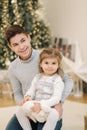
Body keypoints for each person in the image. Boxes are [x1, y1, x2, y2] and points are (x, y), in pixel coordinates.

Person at [5, 25, 73, 130]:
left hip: (48, 109)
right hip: (30, 110)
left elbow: (68, 81)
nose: (21, 47)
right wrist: (23, 103)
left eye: (23, 40)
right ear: (11, 47)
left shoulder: (46, 57)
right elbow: (17, 93)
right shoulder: (13, 67)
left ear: (29, 37)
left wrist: (59, 102)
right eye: (15, 44)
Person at [16, 48, 64, 130]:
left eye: (53, 63)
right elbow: (32, 89)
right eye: (46, 63)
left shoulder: (58, 80)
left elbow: (56, 98)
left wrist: (41, 105)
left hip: (48, 108)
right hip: (35, 106)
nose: (50, 66)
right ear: (41, 64)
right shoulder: (38, 77)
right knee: (19, 111)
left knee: (55, 114)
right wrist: (28, 96)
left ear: (58, 65)